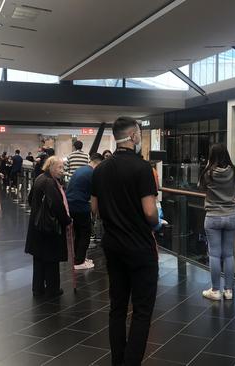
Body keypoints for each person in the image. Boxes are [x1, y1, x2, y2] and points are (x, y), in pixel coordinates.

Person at [91, 117, 160, 366]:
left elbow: (95, 208)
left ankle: (117, 361)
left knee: (117, 308)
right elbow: (150, 212)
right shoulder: (142, 168)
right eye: (139, 133)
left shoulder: (100, 170)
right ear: (132, 136)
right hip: (140, 248)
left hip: (113, 246)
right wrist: (155, 223)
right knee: (141, 312)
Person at [25, 156, 72, 297]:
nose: (62, 171)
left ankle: (37, 288)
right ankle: (53, 289)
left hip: (37, 226)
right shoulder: (50, 183)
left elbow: (30, 198)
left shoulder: (40, 178)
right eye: (59, 167)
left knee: (39, 259)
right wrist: (67, 221)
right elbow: (57, 206)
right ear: (51, 167)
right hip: (49, 228)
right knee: (52, 259)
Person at [198, 144, 235, 301]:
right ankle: (229, 291)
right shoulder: (234, 172)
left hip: (213, 216)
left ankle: (215, 291)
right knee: (229, 254)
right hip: (231, 215)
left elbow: (201, 188)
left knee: (215, 255)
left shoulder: (208, 173)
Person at [67, 153, 103, 270]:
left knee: (78, 233)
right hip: (80, 206)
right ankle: (79, 262)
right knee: (85, 234)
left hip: (71, 205)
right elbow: (94, 196)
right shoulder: (93, 173)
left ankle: (78, 258)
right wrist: (94, 213)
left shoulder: (81, 169)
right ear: (98, 163)